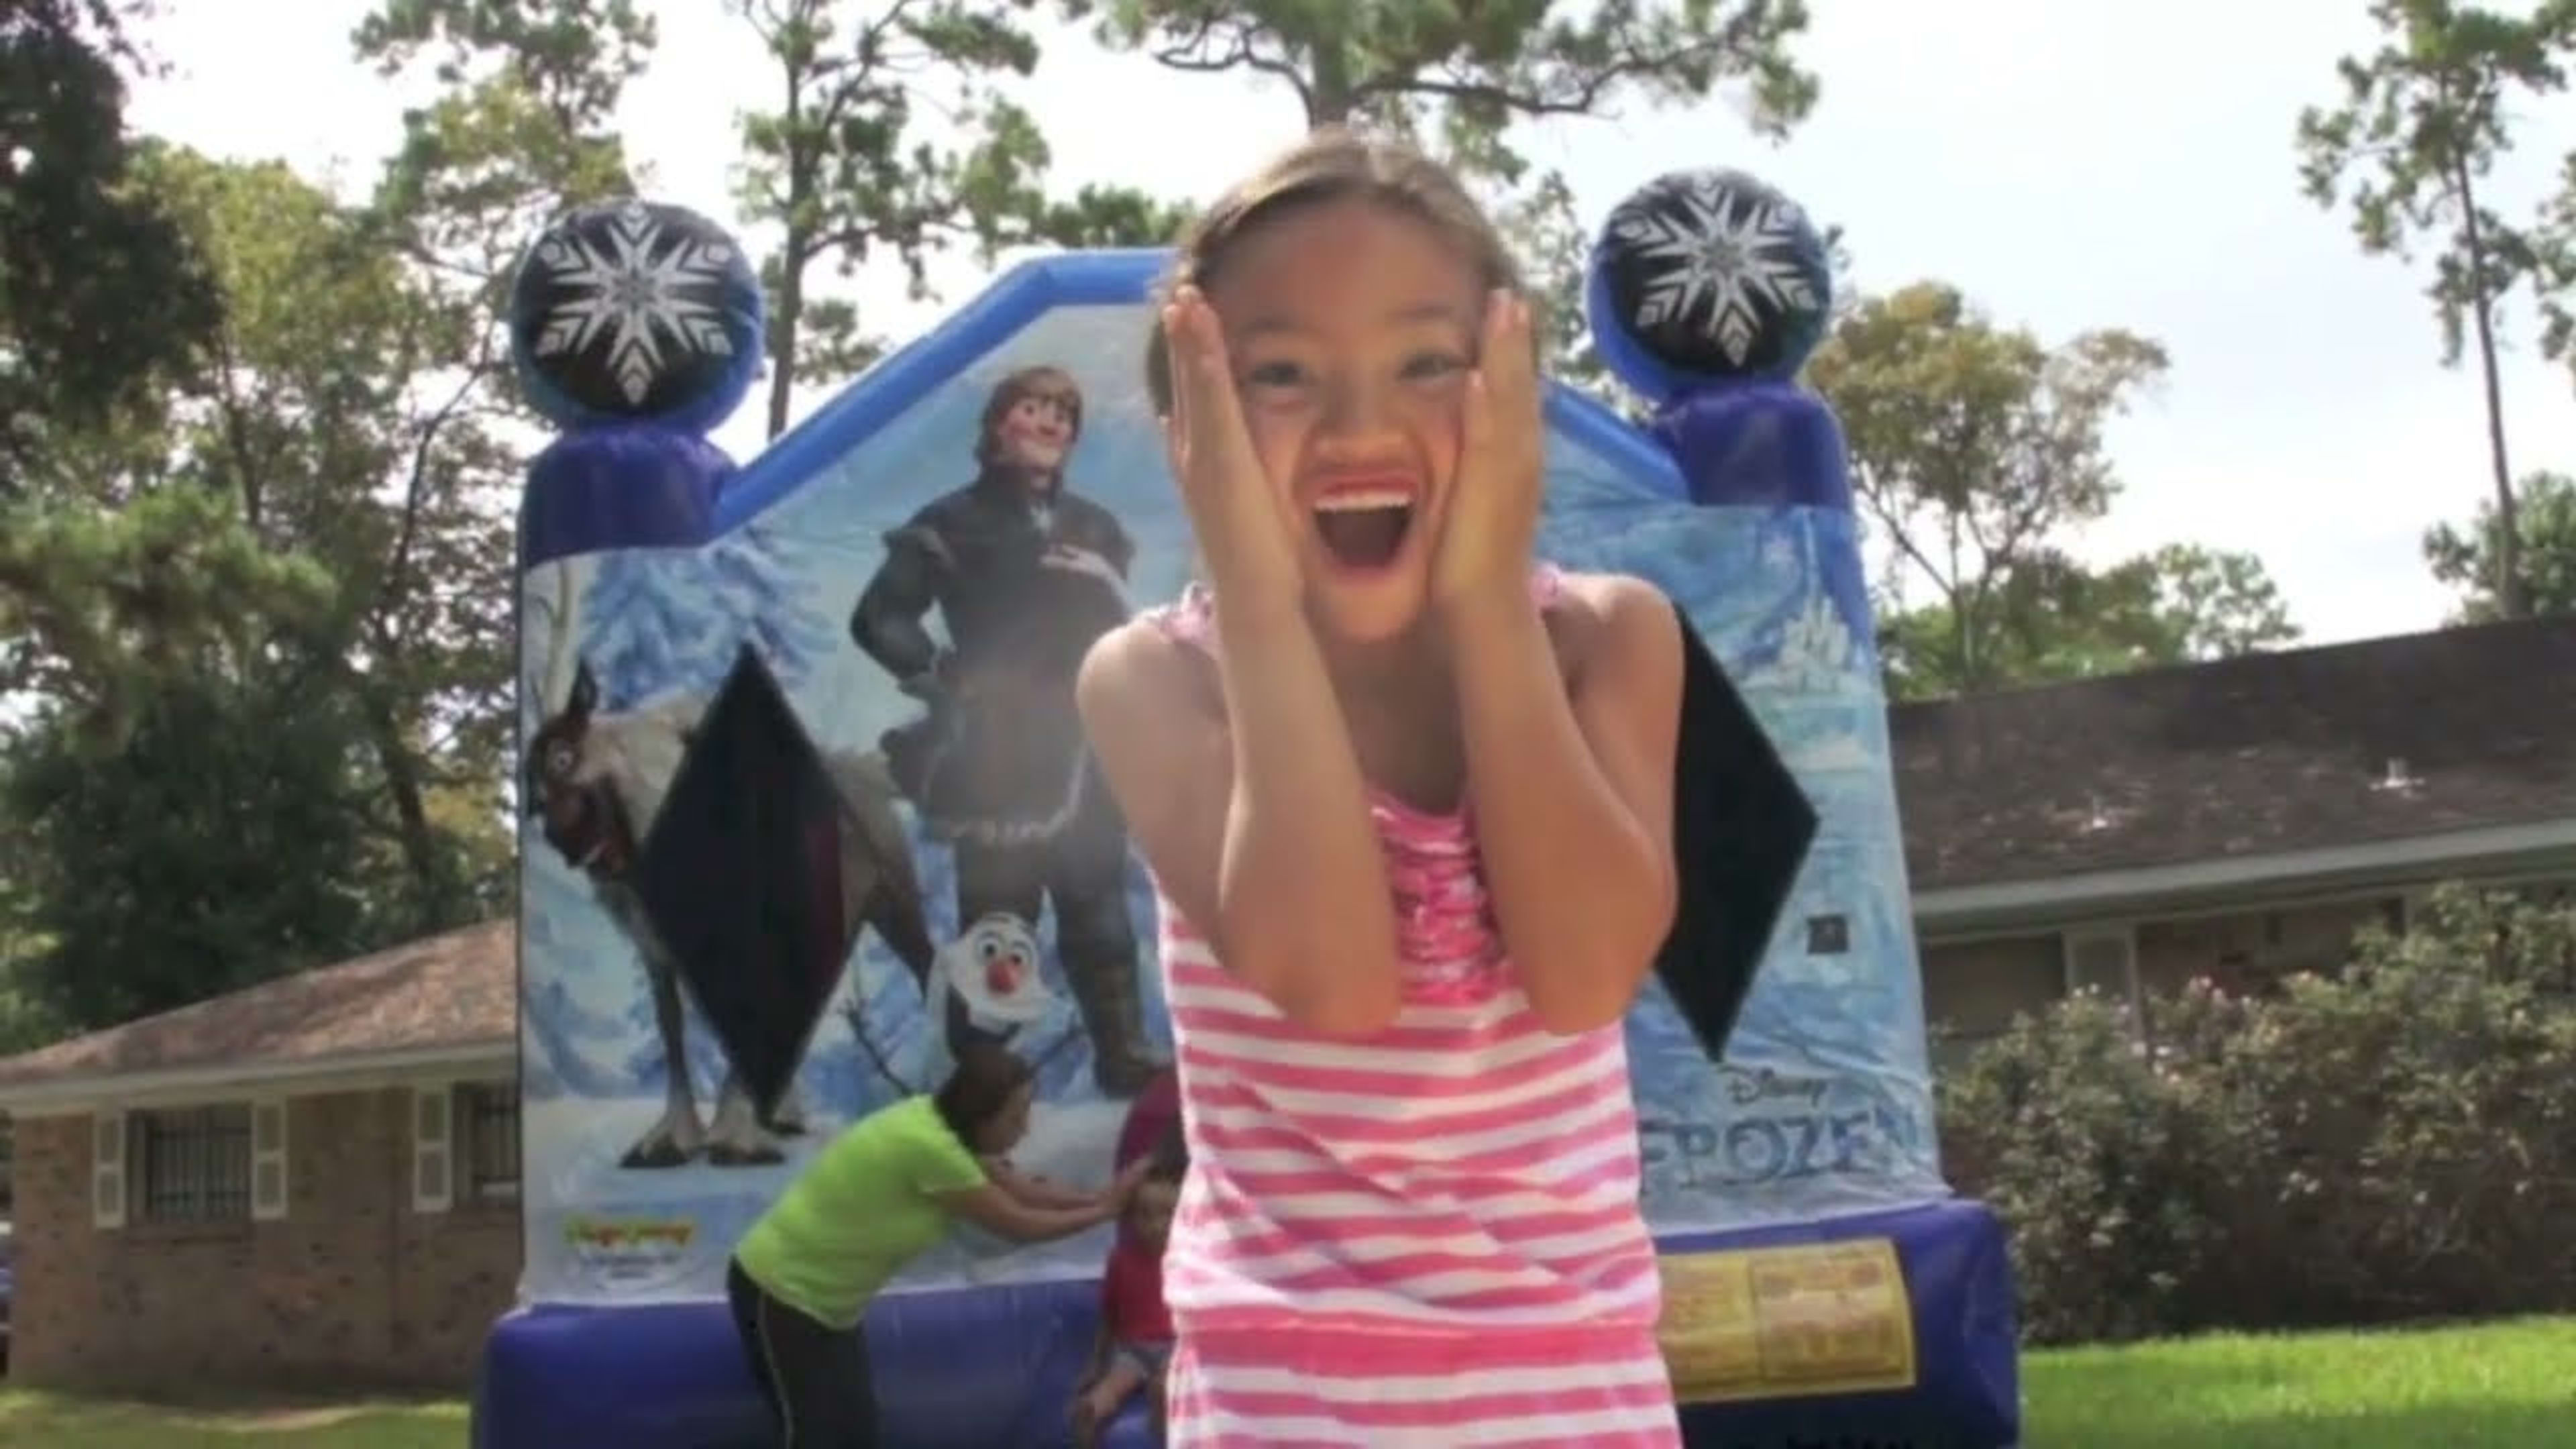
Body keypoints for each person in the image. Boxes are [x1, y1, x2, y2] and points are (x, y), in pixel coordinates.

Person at [1073, 127, 1688, 1446]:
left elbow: (1583, 974)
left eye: (1426, 363)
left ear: (1508, 387)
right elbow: (1337, 986)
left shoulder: (1608, 640)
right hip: (1286, 1396)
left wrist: (1482, 593)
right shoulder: (1151, 680)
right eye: (1282, 376)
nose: (1360, 425)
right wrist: (1253, 593)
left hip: (1574, 1387)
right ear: (1193, 423)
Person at [849, 365, 1163, 1097]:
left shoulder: (1094, 526)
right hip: (996, 754)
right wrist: (940, 679)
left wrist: (1103, 586)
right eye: (1034, 408)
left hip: (1085, 746)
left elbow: (1123, 627)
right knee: (1000, 922)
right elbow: (880, 618)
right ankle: (981, 1081)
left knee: (1098, 908)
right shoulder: (950, 523)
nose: (1051, 423)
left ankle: (1123, 1060)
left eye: (1064, 413)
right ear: (999, 426)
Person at [726, 1043, 1153, 1448]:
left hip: (831, 1307)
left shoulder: (941, 1126)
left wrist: (1103, 1198)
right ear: (982, 1116)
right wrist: (1103, 1212)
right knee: (816, 1434)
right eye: (1015, 1117)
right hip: (780, 1290)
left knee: (857, 1428)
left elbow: (1025, 1188)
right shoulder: (930, 1148)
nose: (1024, 1130)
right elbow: (1019, 1223)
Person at [1070, 1152, 1184, 1446]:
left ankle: (1106, 1406)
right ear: (1129, 1218)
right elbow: (1110, 1313)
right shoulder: (1122, 1260)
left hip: (1154, 1347)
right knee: (1123, 1382)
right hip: (1143, 1348)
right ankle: (1094, 1412)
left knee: (1140, 1381)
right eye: (1144, 1215)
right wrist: (1097, 1361)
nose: (1155, 1225)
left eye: (1166, 1214)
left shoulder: (1183, 1259)